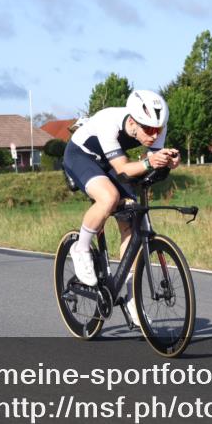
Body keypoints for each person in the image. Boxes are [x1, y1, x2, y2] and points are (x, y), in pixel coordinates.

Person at [63, 90, 181, 288]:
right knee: (109, 197)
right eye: (149, 130)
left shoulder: (157, 126)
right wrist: (150, 161)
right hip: (81, 156)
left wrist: (169, 160)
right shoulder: (109, 121)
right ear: (133, 122)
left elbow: (150, 159)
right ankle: (80, 248)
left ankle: (129, 291)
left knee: (132, 218)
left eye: (158, 130)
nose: (154, 135)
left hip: (110, 161)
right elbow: (124, 168)